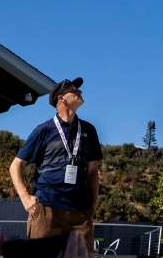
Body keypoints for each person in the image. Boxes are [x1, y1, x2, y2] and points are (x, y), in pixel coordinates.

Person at [8, 78, 103, 243]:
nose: (80, 92)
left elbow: (93, 171)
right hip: (47, 209)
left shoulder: (89, 130)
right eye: (74, 90)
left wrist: (93, 203)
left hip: (80, 213)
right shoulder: (44, 130)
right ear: (61, 99)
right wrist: (25, 197)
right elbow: (15, 165)